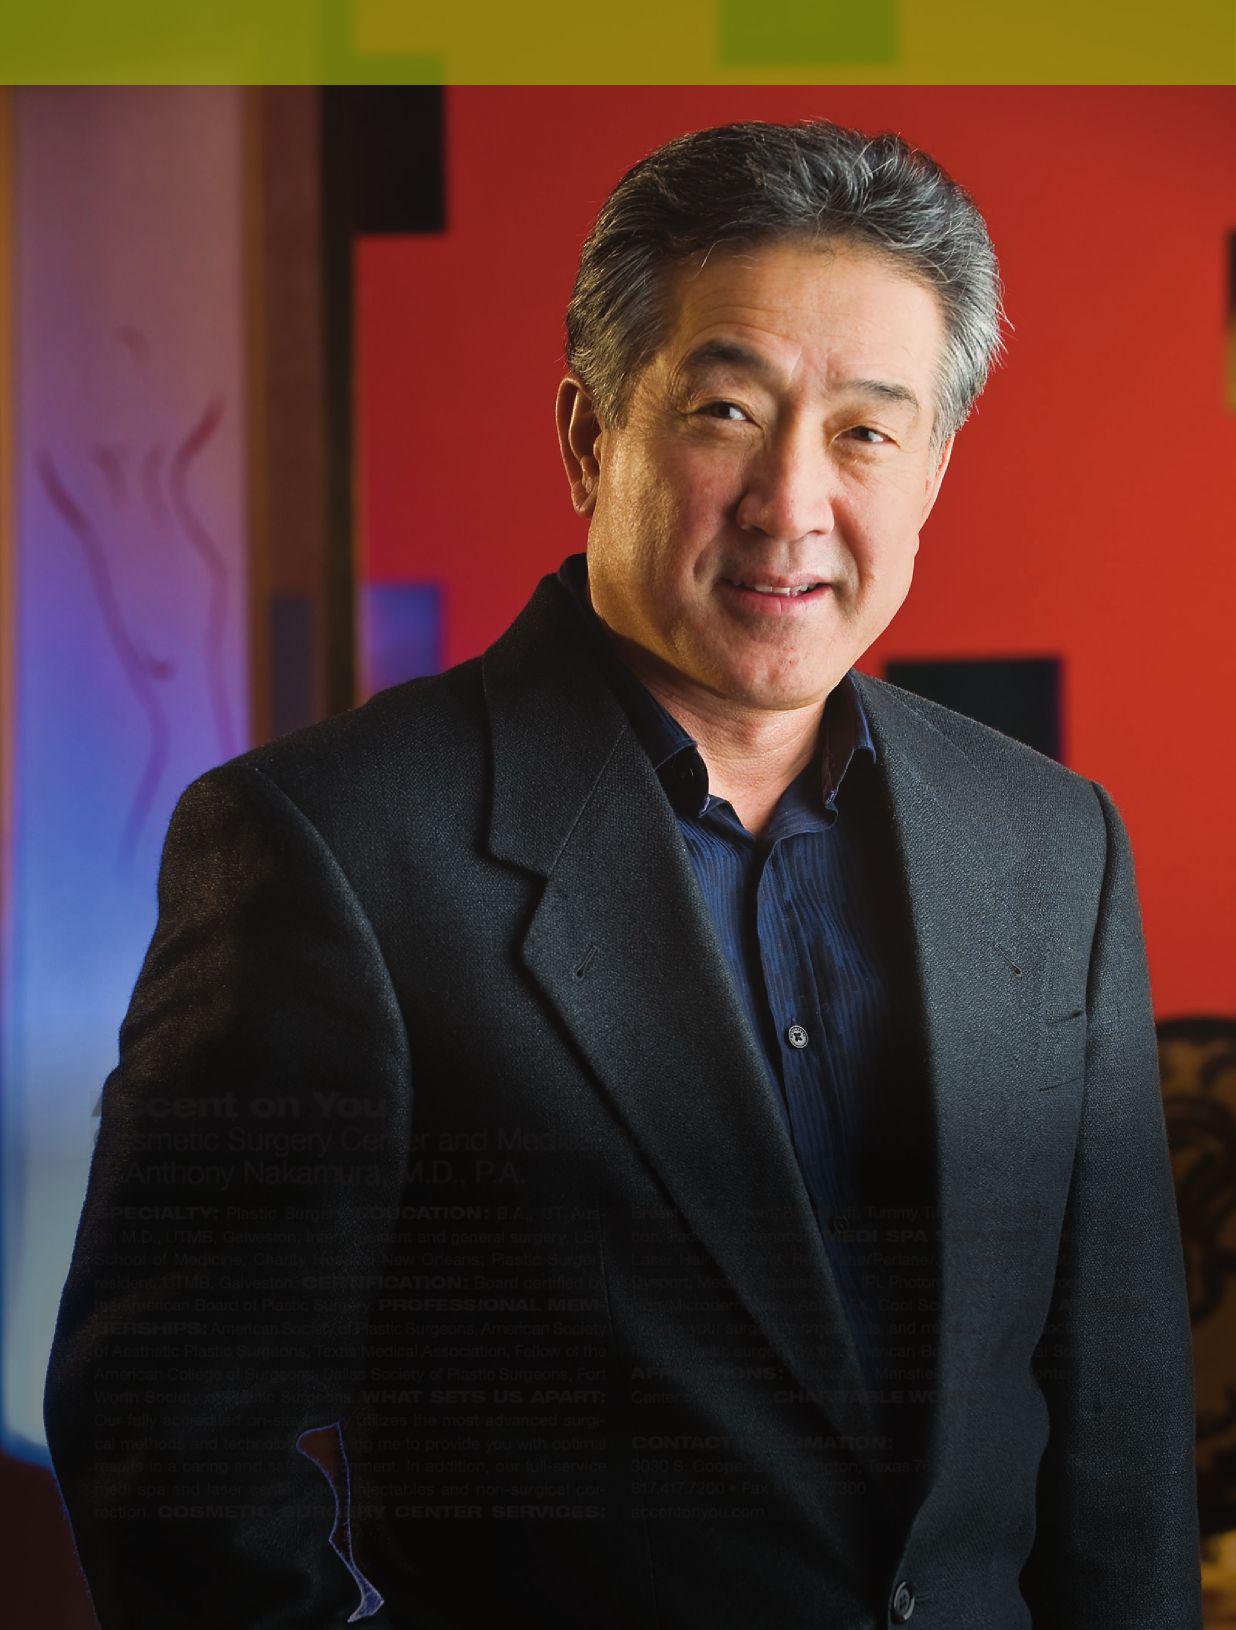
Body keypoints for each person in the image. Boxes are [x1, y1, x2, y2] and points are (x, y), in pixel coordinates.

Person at [45, 118, 1200, 1630]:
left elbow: (1119, 1446)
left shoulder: (1053, 845)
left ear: (932, 470)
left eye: (866, 431)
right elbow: (175, 1453)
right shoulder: (332, 849)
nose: (792, 502)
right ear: (589, 436)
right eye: (728, 411)